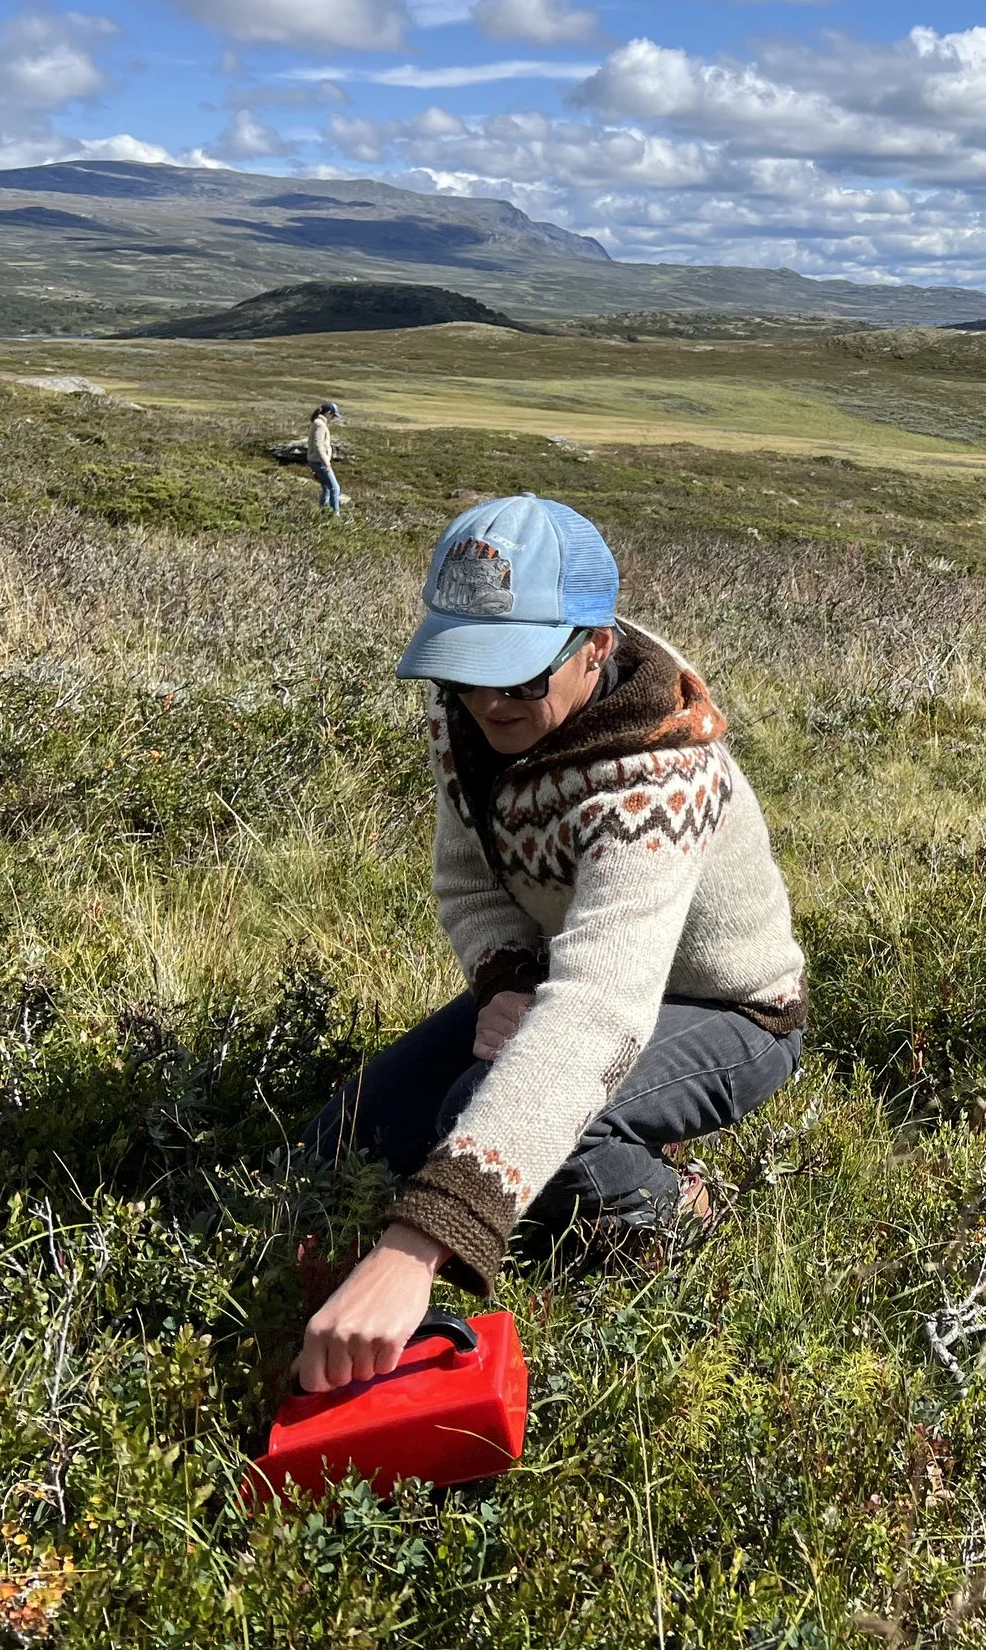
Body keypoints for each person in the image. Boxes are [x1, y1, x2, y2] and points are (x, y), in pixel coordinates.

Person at [296, 494, 807, 1393]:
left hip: (734, 1012)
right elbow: (469, 882)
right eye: (465, 669)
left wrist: (417, 1249)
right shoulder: (471, 719)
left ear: (596, 648)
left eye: (521, 675)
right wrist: (503, 980)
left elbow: (599, 1012)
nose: (490, 699)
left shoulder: (659, 774)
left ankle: (683, 1214)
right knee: (345, 1138)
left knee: (513, 1123)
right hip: (569, 976)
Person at [307, 402, 344, 513]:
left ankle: (323, 511)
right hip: (320, 462)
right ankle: (335, 514)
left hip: (316, 461)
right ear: (328, 413)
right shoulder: (320, 424)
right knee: (335, 488)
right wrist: (326, 463)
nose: (333, 418)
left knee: (327, 488)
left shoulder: (317, 422)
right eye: (333, 415)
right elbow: (318, 445)